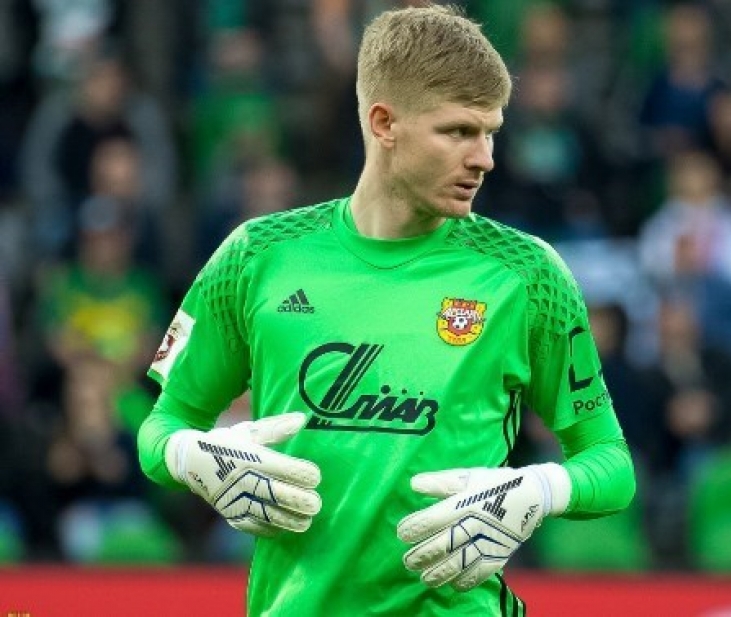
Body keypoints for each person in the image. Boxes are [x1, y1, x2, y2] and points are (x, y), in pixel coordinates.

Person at [136, 5, 635, 616]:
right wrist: (191, 455)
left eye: (491, 132)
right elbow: (160, 427)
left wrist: (542, 487)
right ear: (384, 122)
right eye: (458, 132)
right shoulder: (256, 256)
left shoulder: (528, 274)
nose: (484, 158)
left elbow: (612, 464)